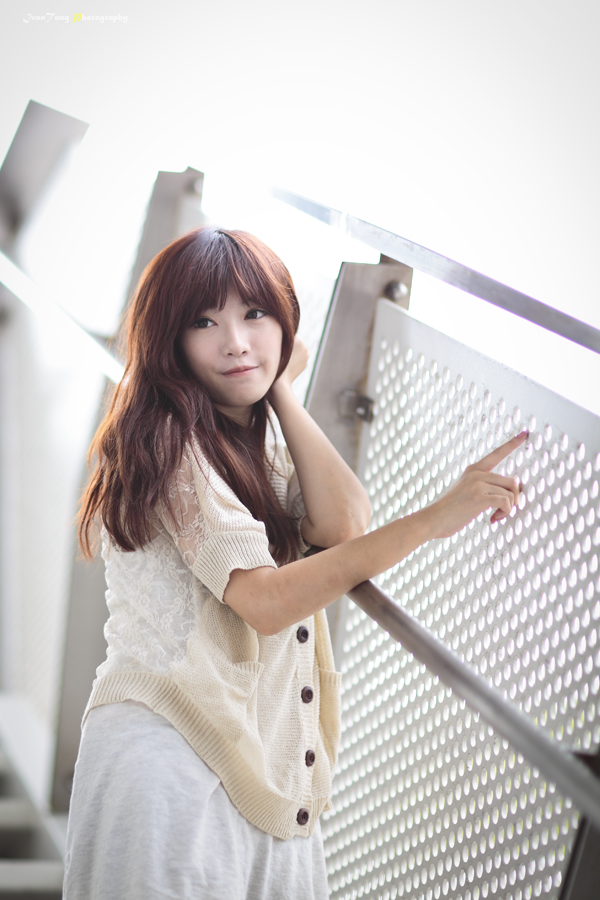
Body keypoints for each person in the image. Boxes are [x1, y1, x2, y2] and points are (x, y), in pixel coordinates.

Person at [64, 227, 526, 899]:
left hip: (255, 761)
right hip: (170, 762)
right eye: (203, 322)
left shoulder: (252, 442)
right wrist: (432, 520)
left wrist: (277, 386)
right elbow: (268, 601)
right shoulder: (169, 440)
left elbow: (343, 521)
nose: (235, 342)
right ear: (170, 342)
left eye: (255, 314)